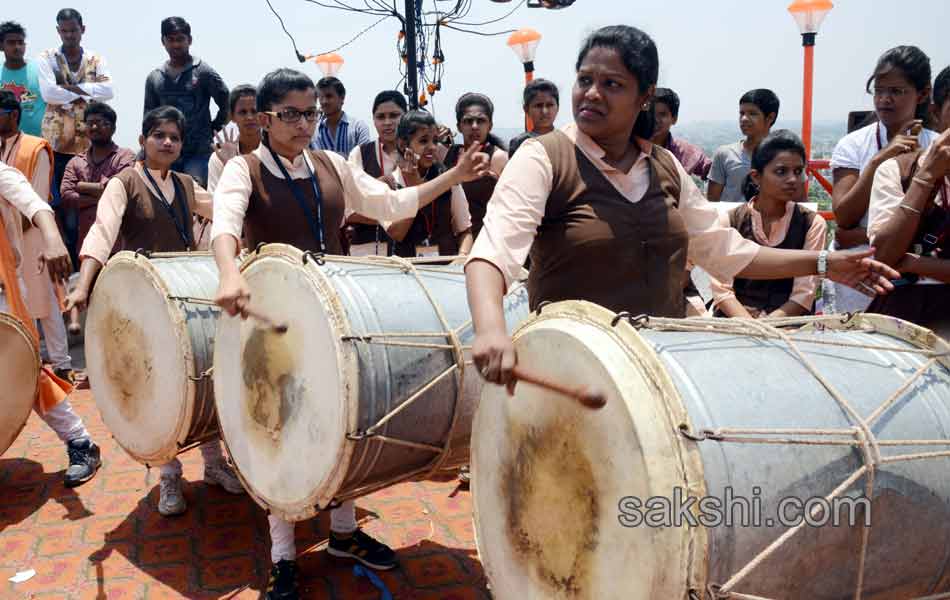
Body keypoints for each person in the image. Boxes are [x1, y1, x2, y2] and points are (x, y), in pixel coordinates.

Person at [464, 25, 899, 385]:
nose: (591, 94)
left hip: (659, 372)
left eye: (611, 84)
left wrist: (826, 263)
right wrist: (490, 330)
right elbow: (493, 253)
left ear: (644, 96)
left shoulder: (666, 166)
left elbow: (728, 252)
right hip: (568, 371)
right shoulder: (544, 157)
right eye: (584, 80)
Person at [210, 68, 488, 600]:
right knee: (279, 430)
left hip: (337, 316)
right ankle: (283, 556)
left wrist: (451, 180)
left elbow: (393, 206)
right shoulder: (243, 171)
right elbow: (225, 226)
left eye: (311, 112)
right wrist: (228, 272)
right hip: (272, 322)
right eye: (290, 113)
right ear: (266, 118)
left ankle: (342, 533)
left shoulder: (332, 165)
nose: (304, 123)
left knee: (343, 421)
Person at [64, 106, 246, 517]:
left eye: (174, 138)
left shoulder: (185, 184)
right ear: (143, 139)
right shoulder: (123, 183)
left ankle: (215, 464)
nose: (167, 143)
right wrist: (84, 284)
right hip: (145, 304)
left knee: (208, 377)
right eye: (159, 135)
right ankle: (169, 475)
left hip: (188, 296)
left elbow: (226, 211)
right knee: (160, 390)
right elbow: (103, 230)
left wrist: (238, 167)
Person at [0, 158, 100, 487]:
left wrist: (54, 240)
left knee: (26, 371)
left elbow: (34, 204)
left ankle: (81, 443)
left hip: (3, 294)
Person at [830, 45, 939, 314]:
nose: (884, 99)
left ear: (922, 94)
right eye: (879, 91)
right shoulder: (854, 145)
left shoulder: (936, 147)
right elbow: (843, 215)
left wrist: (860, 236)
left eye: (896, 91)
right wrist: (880, 160)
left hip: (920, 276)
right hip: (860, 272)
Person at [866, 67, 950, 338]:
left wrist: (914, 263)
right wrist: (926, 178)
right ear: (936, 114)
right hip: (907, 315)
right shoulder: (899, 171)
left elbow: (894, 260)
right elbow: (884, 256)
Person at [710, 130, 827, 318]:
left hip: (788, 324)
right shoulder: (730, 221)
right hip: (735, 322)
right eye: (781, 172)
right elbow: (722, 290)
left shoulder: (812, 224)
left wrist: (767, 326)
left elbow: (803, 294)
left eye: (798, 172)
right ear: (756, 177)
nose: (792, 180)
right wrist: (751, 326)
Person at [1, 89, 75, 382]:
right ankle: (27, 360)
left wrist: (14, 227)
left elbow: (38, 196)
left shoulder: (36, 148)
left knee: (44, 299)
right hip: (7, 240)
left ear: (14, 115)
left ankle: (62, 362)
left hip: (34, 235)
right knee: (17, 299)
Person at [37, 8, 114, 269]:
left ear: (83, 29)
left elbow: (108, 90)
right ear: (58, 31)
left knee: (91, 205)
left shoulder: (95, 59)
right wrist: (85, 92)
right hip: (57, 145)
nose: (70, 35)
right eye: (65, 31)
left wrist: (68, 89)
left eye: (74, 30)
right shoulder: (47, 58)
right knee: (60, 204)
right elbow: (49, 94)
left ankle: (91, 263)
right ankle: (67, 264)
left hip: (89, 146)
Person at [144, 16, 229, 187]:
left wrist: (215, 127)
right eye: (171, 40)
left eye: (181, 39)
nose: (176, 44)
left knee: (198, 201)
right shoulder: (155, 78)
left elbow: (227, 102)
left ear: (189, 40)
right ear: (163, 41)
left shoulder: (203, 72)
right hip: (166, 152)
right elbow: (149, 117)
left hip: (199, 153)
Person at [388, 110, 473, 258]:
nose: (432, 147)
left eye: (435, 140)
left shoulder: (447, 180)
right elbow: (397, 234)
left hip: (445, 269)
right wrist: (414, 190)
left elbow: (465, 231)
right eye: (423, 141)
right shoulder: (391, 184)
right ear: (403, 145)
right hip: (406, 271)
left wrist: (461, 258)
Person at [60, 101, 135, 257]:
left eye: (101, 123)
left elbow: (122, 189)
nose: (94, 127)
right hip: (86, 245)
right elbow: (66, 195)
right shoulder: (75, 162)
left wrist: (80, 186)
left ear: (113, 128)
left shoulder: (125, 156)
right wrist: (105, 193)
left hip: (118, 246)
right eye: (90, 123)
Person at [346, 90, 407, 256]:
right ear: (373, 120)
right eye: (381, 117)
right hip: (368, 250)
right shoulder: (360, 154)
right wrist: (374, 187)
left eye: (394, 115)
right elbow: (348, 210)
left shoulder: (418, 153)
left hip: (410, 250)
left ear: (406, 116)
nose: (387, 122)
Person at [445, 93, 508, 240]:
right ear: (459, 126)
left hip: (488, 241)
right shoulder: (448, 155)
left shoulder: (498, 158)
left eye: (480, 121)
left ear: (490, 125)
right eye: (468, 121)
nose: (474, 126)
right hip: (453, 243)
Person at [708, 89, 779, 202]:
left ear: (770, 117)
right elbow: (712, 202)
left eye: (752, 113)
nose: (744, 119)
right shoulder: (725, 154)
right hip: (730, 219)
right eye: (742, 113)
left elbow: (798, 200)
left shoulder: (784, 157)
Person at [207, 85, 260, 193]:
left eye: (254, 111)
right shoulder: (219, 157)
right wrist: (230, 165)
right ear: (232, 117)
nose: (249, 117)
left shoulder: (278, 149)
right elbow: (214, 201)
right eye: (243, 112)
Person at [651, 87, 711, 180]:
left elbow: (712, 170)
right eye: (650, 113)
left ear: (674, 118)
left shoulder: (685, 153)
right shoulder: (630, 147)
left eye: (662, 114)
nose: (655, 119)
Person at [1, 21, 46, 137]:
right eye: (11, 43)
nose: (17, 47)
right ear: (1, 46)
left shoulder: (40, 70)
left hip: (38, 143)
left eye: (21, 42)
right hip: (4, 144)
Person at [311, 76, 371, 157]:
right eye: (320, 97)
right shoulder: (312, 131)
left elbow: (365, 160)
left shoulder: (359, 128)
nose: (324, 101)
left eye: (329, 96)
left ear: (342, 98)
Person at [509, 79, 560, 157]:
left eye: (549, 105)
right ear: (526, 109)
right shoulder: (520, 143)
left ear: (558, 107)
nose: (544, 111)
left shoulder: (567, 141)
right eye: (538, 106)